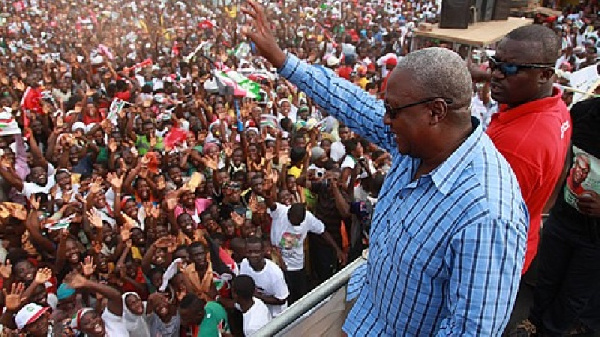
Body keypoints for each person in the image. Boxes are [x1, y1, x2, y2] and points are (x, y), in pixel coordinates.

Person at [241, 1, 529, 335]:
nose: (385, 120)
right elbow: (350, 102)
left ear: (435, 112)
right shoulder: (417, 141)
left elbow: (471, 330)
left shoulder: (488, 213)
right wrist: (282, 59)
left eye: (393, 111)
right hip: (366, 313)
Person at [473, 25, 572, 274]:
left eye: (508, 68)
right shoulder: (555, 107)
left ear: (544, 75)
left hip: (489, 260)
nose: (495, 74)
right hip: (525, 239)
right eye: (494, 63)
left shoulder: (517, 145)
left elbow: (479, 221)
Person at [514, 97, 600, 336]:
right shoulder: (582, 112)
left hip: (595, 239)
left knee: (574, 294)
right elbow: (564, 160)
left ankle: (550, 331)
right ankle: (533, 322)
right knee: (547, 278)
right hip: (562, 219)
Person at [238, 237, 290, 317]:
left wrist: (256, 296)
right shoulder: (244, 264)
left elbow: (282, 299)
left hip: (275, 315)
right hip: (257, 312)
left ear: (263, 252)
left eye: (256, 252)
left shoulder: (275, 273)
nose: (253, 255)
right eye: (249, 252)